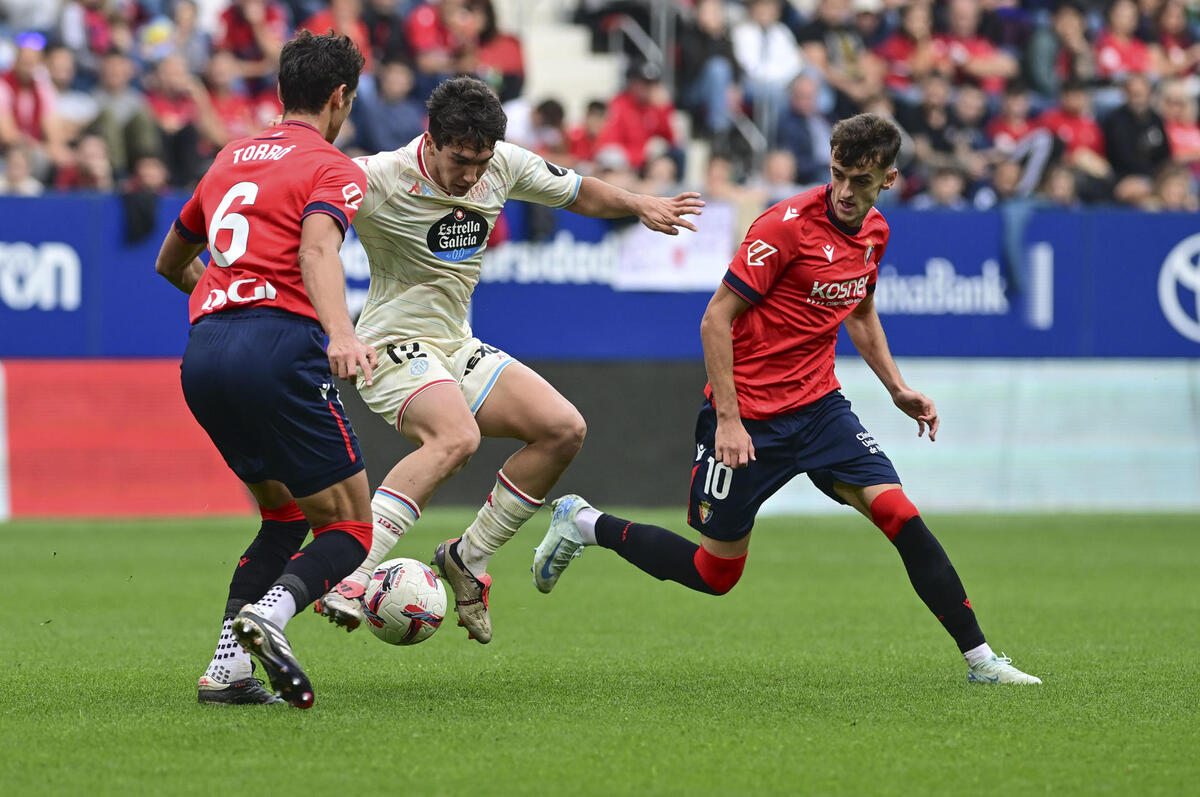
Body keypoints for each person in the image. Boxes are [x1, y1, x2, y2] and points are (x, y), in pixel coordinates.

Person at [532, 113, 1042, 685]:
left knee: (901, 515)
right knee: (714, 573)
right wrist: (729, 420)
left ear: (890, 180)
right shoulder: (785, 227)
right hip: (749, 417)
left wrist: (896, 388)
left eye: (862, 180)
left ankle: (981, 662)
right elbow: (715, 319)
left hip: (821, 409)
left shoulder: (875, 233)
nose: (847, 191)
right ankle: (584, 522)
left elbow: (860, 311)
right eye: (838, 175)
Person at [312, 75, 703, 645]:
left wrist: (638, 202)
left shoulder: (504, 164)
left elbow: (578, 191)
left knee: (563, 429)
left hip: (453, 342)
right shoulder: (378, 176)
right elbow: (314, 235)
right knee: (456, 438)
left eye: (481, 160)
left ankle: (469, 558)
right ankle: (354, 571)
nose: (471, 174)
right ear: (432, 137)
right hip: (391, 344)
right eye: (459, 160)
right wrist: (338, 330)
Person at [153, 31, 377, 708]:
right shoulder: (334, 165)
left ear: (280, 91)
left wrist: (223, 306)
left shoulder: (228, 157)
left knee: (283, 514)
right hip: (279, 347)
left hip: (206, 351)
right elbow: (317, 250)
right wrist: (341, 331)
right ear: (340, 98)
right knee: (351, 527)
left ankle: (226, 670)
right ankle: (272, 614)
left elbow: (170, 261)